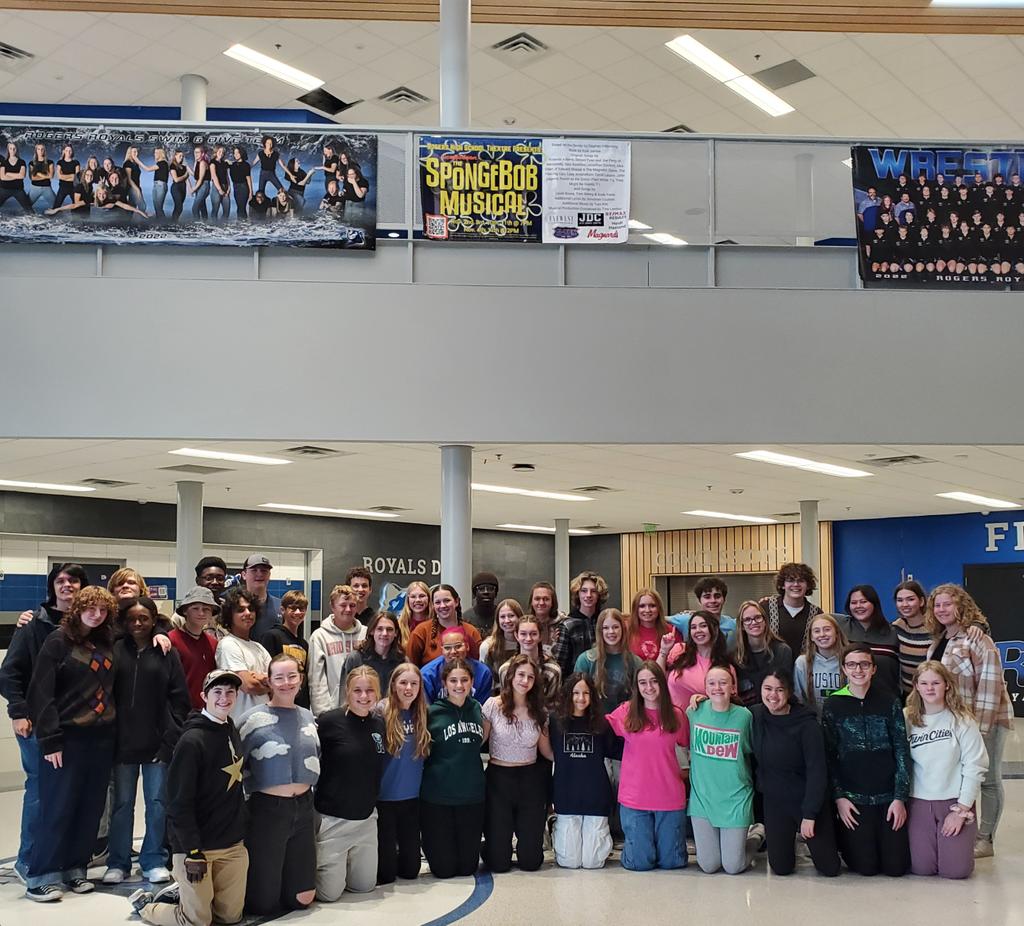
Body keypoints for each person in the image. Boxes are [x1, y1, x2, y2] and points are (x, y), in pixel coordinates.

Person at [128, 670, 248, 926]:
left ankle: (183, 892)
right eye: (217, 692)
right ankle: (148, 906)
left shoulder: (231, 729)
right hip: (197, 847)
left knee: (230, 917)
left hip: (231, 844)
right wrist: (192, 851)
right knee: (195, 922)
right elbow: (178, 803)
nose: (224, 698)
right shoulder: (192, 741)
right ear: (204, 696)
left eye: (230, 692)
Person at [20, 586, 116, 902]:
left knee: (90, 808)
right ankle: (42, 876)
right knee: (58, 806)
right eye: (90, 608)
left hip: (101, 738)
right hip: (66, 738)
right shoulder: (57, 641)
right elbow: (41, 694)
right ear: (77, 609)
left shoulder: (106, 641)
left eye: (103, 610)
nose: (96, 615)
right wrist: (50, 741)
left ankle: (76, 869)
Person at [0, 562, 87, 883]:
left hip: (74, 724)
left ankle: (60, 860)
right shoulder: (33, 624)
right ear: (52, 587)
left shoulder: (88, 625)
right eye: (60, 580)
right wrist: (18, 712)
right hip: (37, 724)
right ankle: (28, 860)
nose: (66, 585)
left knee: (68, 794)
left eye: (73, 580)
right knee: (40, 791)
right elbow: (9, 673)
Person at [105, 596, 190, 886]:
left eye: (144, 618)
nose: (138, 623)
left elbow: (179, 699)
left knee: (157, 802)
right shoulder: (115, 650)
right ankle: (117, 861)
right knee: (121, 804)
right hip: (122, 744)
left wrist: (170, 738)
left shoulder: (167, 652)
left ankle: (153, 859)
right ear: (124, 621)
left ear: (154, 620)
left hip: (157, 743)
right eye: (132, 618)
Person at [925, 583, 1013, 858]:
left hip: (986, 720)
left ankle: (985, 840)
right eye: (937, 605)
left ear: (961, 606)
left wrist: (981, 729)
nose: (942, 609)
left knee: (988, 779)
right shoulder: (940, 639)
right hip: (957, 722)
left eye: (948, 604)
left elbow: (990, 686)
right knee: (964, 777)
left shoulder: (978, 639)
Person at [237, 654, 319, 915]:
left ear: (301, 680)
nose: (286, 683)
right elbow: (236, 765)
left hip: (304, 807)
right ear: (269, 682)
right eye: (279, 678)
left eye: (292, 676)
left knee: (302, 899)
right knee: (263, 904)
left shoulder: (308, 717)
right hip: (267, 809)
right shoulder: (251, 719)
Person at [822, 644, 911, 877]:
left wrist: (900, 798)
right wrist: (839, 797)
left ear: (873, 669)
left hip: (887, 797)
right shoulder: (833, 704)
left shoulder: (889, 701)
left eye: (864, 664)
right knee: (866, 868)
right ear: (844, 669)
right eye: (852, 665)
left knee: (895, 868)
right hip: (854, 798)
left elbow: (901, 749)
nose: (858, 670)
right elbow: (829, 754)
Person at [751, 669, 840, 877]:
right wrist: (699, 699)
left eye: (780, 690)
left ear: (789, 692)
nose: (773, 695)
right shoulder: (755, 715)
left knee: (829, 868)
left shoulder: (807, 725)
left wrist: (810, 814)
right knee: (781, 868)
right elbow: (726, 705)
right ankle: (760, 835)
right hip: (775, 801)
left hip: (806, 799)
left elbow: (817, 771)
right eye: (768, 689)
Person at [905, 661, 988, 879]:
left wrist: (962, 810)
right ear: (916, 686)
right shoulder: (907, 718)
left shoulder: (962, 720)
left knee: (955, 871)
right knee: (922, 869)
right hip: (918, 801)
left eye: (936, 683)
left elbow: (975, 765)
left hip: (954, 802)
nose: (930, 688)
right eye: (924, 683)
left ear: (947, 685)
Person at [606, 661, 689, 871]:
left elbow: (689, 747)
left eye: (653, 681)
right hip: (635, 798)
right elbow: (596, 726)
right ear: (636, 687)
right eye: (643, 682)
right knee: (639, 864)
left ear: (662, 683)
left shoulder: (677, 715)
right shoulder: (625, 712)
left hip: (669, 797)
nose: (649, 687)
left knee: (672, 863)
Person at [315, 666, 387, 901]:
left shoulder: (379, 724)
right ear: (347, 691)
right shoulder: (328, 722)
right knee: (329, 894)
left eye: (370, 690)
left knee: (364, 887)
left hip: (366, 819)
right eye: (357, 690)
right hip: (334, 819)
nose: (364, 696)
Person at [481, 654, 553, 872]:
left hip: (529, 779)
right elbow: (480, 740)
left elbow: (547, 751)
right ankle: (490, 846)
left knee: (531, 862)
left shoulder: (540, 712)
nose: (525, 681)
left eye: (530, 677)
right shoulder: (493, 705)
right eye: (521, 675)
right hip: (499, 779)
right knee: (498, 863)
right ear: (511, 676)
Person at [420, 658, 488, 879]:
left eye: (464, 680)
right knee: (444, 870)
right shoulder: (432, 713)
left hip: (471, 797)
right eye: (453, 680)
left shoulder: (478, 709)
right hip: (438, 798)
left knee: (468, 868)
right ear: (444, 683)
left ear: (472, 682)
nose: (459, 685)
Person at [688, 666, 758, 874]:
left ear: (733, 687)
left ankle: (756, 835)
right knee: (709, 865)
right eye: (712, 683)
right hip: (703, 799)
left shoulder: (745, 717)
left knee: (733, 866)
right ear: (705, 688)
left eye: (723, 683)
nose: (717, 687)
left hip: (736, 799)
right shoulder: (693, 712)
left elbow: (753, 751)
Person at [549, 673, 616, 869]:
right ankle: (555, 828)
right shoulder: (555, 722)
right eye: (576, 693)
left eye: (586, 693)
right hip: (566, 795)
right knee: (569, 862)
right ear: (568, 694)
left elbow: (616, 750)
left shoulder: (602, 724)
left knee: (593, 862)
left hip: (595, 796)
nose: (581, 698)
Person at [376, 663, 430, 884]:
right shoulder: (381, 711)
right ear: (393, 685)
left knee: (410, 870)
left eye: (414, 683)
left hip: (411, 798)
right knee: (386, 874)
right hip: (384, 798)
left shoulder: (422, 712)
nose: (408, 688)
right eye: (403, 683)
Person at [658, 610, 735, 712]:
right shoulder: (680, 650)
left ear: (715, 629)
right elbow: (656, 678)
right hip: (671, 718)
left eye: (703, 626)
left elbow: (731, 704)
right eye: (693, 627)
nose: (698, 630)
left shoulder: (726, 667)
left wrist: (707, 701)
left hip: (702, 720)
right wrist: (663, 651)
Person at [308, 584, 368, 716]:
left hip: (364, 707)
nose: (348, 609)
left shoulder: (366, 634)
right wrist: (323, 714)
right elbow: (317, 679)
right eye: (343, 605)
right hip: (332, 711)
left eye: (352, 605)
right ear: (332, 606)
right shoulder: (319, 636)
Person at [214, 587, 271, 719]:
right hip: (241, 722)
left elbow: (279, 681)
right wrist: (269, 683)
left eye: (251, 609)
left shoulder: (259, 648)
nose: (248, 613)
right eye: (240, 610)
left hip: (265, 720)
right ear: (230, 615)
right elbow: (249, 685)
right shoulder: (228, 644)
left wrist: (261, 678)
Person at [835, 585, 901, 700]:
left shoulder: (893, 632)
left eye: (863, 602)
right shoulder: (840, 627)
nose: (858, 606)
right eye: (854, 602)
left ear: (874, 603)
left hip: (886, 700)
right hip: (848, 700)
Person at [574, 608, 641, 713]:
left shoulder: (635, 662)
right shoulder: (585, 660)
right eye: (606, 628)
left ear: (623, 629)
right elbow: (577, 698)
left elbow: (639, 700)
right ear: (600, 631)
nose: (611, 632)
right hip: (592, 719)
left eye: (615, 627)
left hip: (624, 719)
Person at [731, 600, 793, 707]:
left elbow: (785, 689)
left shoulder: (783, 651)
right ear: (742, 626)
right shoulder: (735, 657)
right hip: (746, 711)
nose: (754, 622)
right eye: (747, 620)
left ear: (765, 621)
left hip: (775, 709)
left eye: (758, 617)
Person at [169, 586, 220, 709]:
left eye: (206, 609)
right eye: (195, 608)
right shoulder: (171, 640)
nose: (201, 613)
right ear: (185, 611)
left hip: (206, 711)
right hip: (177, 711)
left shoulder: (213, 643)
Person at [339, 611, 404, 705]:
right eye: (380, 629)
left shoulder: (402, 662)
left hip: (391, 713)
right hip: (360, 712)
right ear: (372, 631)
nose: (384, 633)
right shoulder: (355, 659)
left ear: (396, 633)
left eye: (389, 629)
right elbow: (344, 697)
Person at [408, 584, 482, 666]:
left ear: (456, 601)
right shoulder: (421, 632)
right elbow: (410, 666)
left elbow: (479, 665)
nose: (442, 605)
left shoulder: (471, 631)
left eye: (447, 600)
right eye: (437, 602)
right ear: (433, 605)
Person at [551, 571, 608, 676]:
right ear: (578, 594)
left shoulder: (606, 622)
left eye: (593, 591)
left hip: (604, 678)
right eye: (584, 591)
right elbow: (560, 664)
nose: (588, 595)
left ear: (599, 595)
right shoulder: (567, 625)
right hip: (576, 680)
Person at [261, 589, 310, 708]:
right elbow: (267, 673)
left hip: (300, 704)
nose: (298, 612)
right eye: (293, 608)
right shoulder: (272, 636)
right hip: (277, 703)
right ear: (283, 610)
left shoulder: (304, 644)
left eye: (302, 609)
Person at [759, 562, 823, 654]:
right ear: (783, 585)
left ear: (808, 585)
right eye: (791, 580)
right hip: (771, 662)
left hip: (805, 663)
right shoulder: (765, 607)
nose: (796, 584)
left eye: (801, 580)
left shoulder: (816, 613)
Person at [499, 615, 562, 707]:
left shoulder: (552, 671)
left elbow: (553, 707)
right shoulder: (505, 670)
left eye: (533, 634)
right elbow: (505, 702)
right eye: (523, 634)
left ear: (540, 636)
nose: (528, 638)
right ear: (516, 635)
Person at [793, 613, 848, 717]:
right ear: (811, 637)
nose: (822, 634)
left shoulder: (848, 660)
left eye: (827, 629)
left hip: (844, 721)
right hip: (812, 721)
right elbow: (798, 698)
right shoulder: (802, 663)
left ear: (837, 633)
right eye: (817, 631)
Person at [421, 625, 492, 702]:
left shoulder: (483, 673)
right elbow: (425, 707)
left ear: (467, 646)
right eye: (447, 648)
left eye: (458, 646)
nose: (453, 652)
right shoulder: (427, 675)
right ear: (442, 650)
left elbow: (482, 707)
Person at [666, 575, 738, 644]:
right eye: (707, 597)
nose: (713, 600)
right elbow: (660, 618)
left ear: (724, 599)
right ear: (699, 600)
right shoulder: (686, 620)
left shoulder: (733, 625)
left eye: (717, 596)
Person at [478, 597, 522, 689]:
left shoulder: (526, 643)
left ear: (520, 617)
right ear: (497, 620)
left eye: (511, 616)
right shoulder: (487, 646)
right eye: (502, 617)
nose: (507, 620)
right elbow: (484, 678)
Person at [240, 554, 282, 640]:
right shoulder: (234, 606)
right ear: (244, 575)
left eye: (264, 570)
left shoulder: (280, 606)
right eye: (254, 570)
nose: (259, 574)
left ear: (269, 575)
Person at [628, 587, 669, 661]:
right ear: (635, 609)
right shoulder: (626, 630)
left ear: (659, 608)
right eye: (642, 606)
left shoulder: (671, 631)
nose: (647, 610)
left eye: (652, 606)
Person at [525, 580, 562, 647]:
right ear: (531, 602)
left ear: (553, 602)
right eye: (537, 599)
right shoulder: (524, 625)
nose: (541, 603)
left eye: (546, 599)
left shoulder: (563, 625)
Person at [462, 571, 499, 636]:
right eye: (481, 589)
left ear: (495, 593)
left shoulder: (502, 616)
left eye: (490, 589)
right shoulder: (466, 618)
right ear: (474, 593)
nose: (486, 592)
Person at [397, 580, 432, 645]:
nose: (418, 600)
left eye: (422, 596)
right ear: (408, 600)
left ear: (429, 598)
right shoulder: (399, 625)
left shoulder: (437, 623)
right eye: (413, 596)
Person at [229, 147, 253, 220]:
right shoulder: (232, 165)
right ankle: (240, 222)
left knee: (242, 207)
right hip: (235, 187)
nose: (235, 154)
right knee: (239, 207)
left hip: (243, 187)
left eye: (237, 153)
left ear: (241, 153)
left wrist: (251, 192)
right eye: (234, 153)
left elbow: (248, 179)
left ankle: (242, 222)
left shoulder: (246, 165)